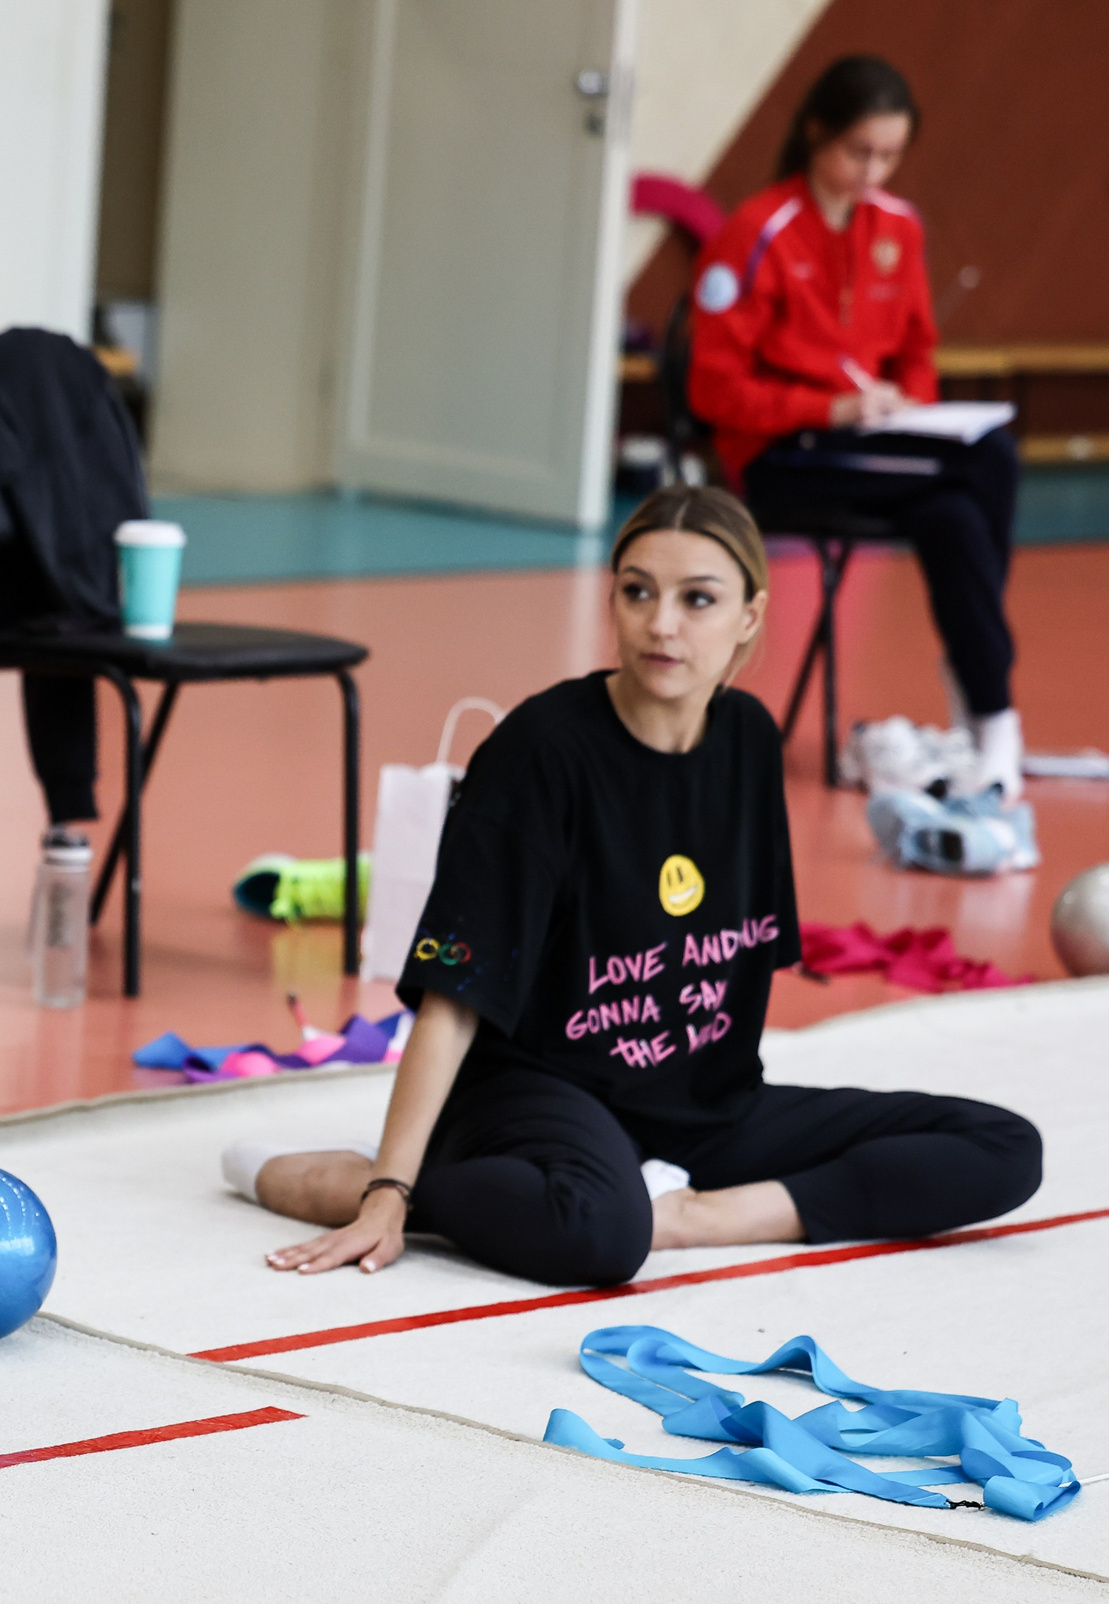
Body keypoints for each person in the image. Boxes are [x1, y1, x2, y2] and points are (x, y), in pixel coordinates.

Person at [227, 486, 1040, 1289]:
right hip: (536, 1092)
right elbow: (454, 995)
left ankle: (696, 1214)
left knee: (1003, 1147)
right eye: (638, 591)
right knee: (604, 1235)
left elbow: (740, 958)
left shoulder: (752, 741)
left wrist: (714, 1203)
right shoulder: (538, 752)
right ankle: (367, 1181)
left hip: (701, 1105)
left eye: (698, 599)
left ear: (749, 618)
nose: (662, 623)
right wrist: (386, 1191)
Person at [687, 54, 1025, 797]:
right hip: (781, 455)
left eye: (891, 155)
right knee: (990, 460)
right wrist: (828, 408)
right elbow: (714, 390)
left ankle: (982, 688)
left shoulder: (898, 228)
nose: (874, 171)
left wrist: (908, 402)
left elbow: (918, 354)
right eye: (859, 152)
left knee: (955, 516)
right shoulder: (759, 230)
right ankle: (989, 700)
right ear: (817, 133)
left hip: (870, 444)